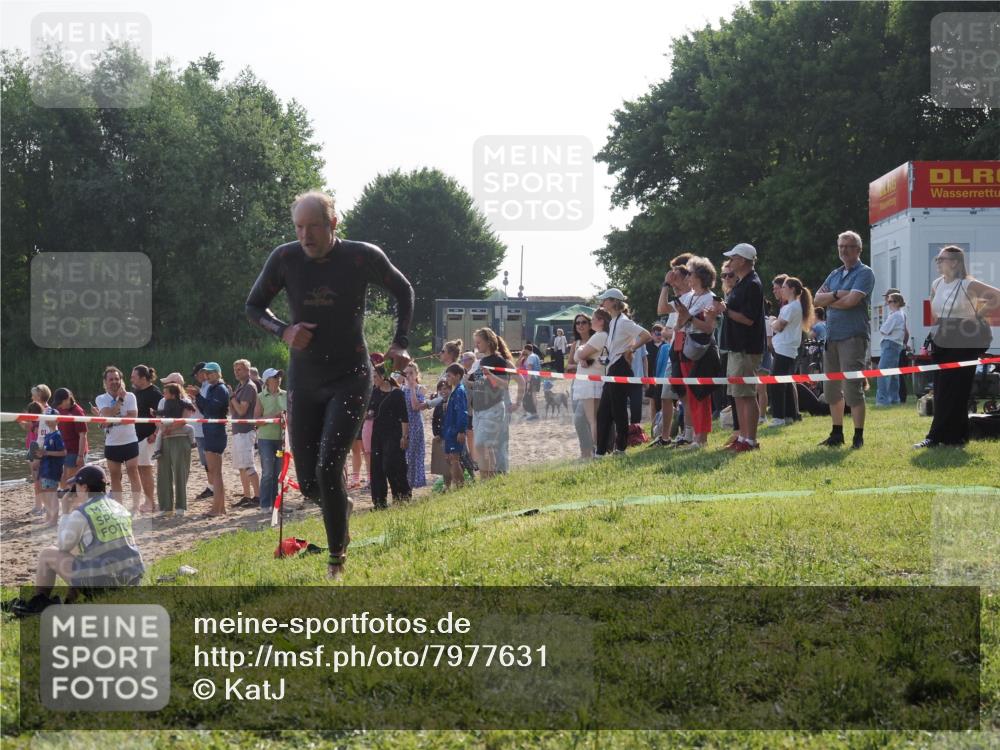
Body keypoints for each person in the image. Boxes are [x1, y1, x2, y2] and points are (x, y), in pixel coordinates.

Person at [246, 189, 414, 579]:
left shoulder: (360, 256)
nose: (305, 235)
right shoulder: (285, 258)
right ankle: (341, 508)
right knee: (309, 483)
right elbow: (253, 306)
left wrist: (400, 342)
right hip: (305, 380)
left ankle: (336, 560)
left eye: (314, 227)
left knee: (328, 467)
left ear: (333, 224)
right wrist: (283, 330)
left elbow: (403, 290)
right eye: (299, 227)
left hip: (350, 376)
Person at [12, 465, 144, 616]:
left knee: (47, 554)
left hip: (105, 587)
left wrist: (66, 511)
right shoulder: (118, 507)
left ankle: (39, 603)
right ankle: (69, 601)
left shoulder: (82, 513)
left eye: (76, 486)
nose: (74, 490)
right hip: (132, 580)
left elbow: (62, 546)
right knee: (80, 551)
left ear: (84, 487)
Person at [915, 245, 999, 448]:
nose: (938, 262)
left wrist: (976, 315)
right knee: (941, 388)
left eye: (941, 259)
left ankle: (940, 436)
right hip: (943, 337)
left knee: (957, 389)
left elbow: (996, 296)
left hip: (964, 341)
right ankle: (952, 436)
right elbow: (935, 310)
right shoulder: (937, 283)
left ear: (954, 262)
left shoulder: (967, 284)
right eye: (937, 259)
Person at [813, 230, 876, 449]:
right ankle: (836, 433)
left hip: (853, 337)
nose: (844, 250)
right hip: (832, 338)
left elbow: (852, 301)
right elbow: (816, 300)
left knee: (852, 389)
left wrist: (832, 299)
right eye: (841, 246)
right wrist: (839, 294)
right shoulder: (835, 273)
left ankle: (858, 437)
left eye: (849, 246)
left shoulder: (865, 273)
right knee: (831, 390)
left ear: (858, 249)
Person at [714, 243, 766, 452]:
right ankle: (743, 437)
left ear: (743, 260)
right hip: (736, 347)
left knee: (746, 394)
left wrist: (725, 310)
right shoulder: (743, 283)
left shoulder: (752, 284)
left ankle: (750, 440)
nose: (730, 262)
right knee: (738, 394)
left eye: (733, 258)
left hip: (746, 348)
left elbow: (749, 320)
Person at [594, 289, 652, 455]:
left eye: (605, 300)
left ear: (613, 302)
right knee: (604, 411)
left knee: (618, 411)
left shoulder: (624, 321)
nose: (602, 302)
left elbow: (646, 335)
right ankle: (600, 451)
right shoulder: (613, 321)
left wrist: (631, 349)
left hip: (620, 368)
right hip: (613, 367)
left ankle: (620, 448)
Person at [673, 257, 722, 449]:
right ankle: (695, 436)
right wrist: (682, 319)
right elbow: (679, 324)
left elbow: (709, 328)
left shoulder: (711, 298)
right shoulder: (690, 296)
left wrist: (689, 318)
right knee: (691, 394)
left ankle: (702, 438)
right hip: (685, 348)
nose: (687, 277)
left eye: (690, 273)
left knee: (700, 394)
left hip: (701, 350)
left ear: (701, 275)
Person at [93, 366, 143, 513]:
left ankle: (135, 505)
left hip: (130, 440)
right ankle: (119, 506)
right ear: (105, 382)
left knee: (133, 472)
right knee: (115, 476)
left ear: (121, 381)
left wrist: (111, 420)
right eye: (111, 379)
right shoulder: (101, 398)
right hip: (112, 443)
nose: (114, 382)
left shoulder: (131, 396)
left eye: (117, 379)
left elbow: (132, 418)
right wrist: (119, 402)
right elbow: (108, 414)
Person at [469, 327, 514, 478]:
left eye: (479, 342)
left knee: (482, 444)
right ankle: (487, 477)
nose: (476, 345)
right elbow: (475, 383)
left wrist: (489, 375)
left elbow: (505, 384)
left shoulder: (498, 360)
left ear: (488, 342)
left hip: (492, 408)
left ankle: (488, 477)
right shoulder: (481, 361)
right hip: (478, 410)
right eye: (475, 342)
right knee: (482, 447)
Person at [769, 277, 813, 426]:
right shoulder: (795, 306)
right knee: (785, 383)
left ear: (792, 289)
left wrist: (772, 321)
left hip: (784, 348)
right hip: (788, 348)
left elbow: (779, 326)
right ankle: (787, 415)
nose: (782, 290)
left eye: (784, 287)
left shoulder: (791, 307)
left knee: (776, 384)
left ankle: (778, 417)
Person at [368, 365, 411, 508]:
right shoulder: (374, 392)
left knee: (392, 465)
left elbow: (404, 417)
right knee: (377, 467)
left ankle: (401, 496)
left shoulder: (397, 393)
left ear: (383, 376)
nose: (373, 379)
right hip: (378, 434)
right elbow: (370, 410)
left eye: (375, 376)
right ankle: (379, 501)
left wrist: (405, 436)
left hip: (394, 434)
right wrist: (368, 414)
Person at [154, 379, 195, 517]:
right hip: (166, 439)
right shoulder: (163, 401)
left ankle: (180, 506)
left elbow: (185, 419)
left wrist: (170, 428)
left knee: (180, 472)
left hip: (181, 438)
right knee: (163, 474)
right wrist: (163, 429)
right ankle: (166, 506)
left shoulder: (185, 402)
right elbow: (158, 418)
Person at [194, 362, 230, 517]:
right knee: (216, 473)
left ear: (217, 373)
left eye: (210, 373)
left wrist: (197, 396)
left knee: (216, 473)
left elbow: (212, 408)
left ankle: (217, 508)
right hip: (211, 431)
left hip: (215, 432)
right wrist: (198, 397)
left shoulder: (220, 389)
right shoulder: (214, 388)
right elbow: (204, 410)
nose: (206, 376)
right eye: (206, 373)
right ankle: (220, 507)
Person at [572, 309, 610, 455]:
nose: (591, 321)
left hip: (589, 382)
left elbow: (578, 355)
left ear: (600, 321)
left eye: (592, 319)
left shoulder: (599, 336)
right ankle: (599, 448)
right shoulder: (607, 336)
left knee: (592, 420)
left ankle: (596, 450)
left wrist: (581, 352)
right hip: (596, 379)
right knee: (596, 418)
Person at [254, 368, 287, 513]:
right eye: (275, 376)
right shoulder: (260, 396)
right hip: (266, 439)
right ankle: (265, 504)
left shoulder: (286, 395)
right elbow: (256, 421)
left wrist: (285, 418)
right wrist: (275, 417)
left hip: (282, 440)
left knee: (279, 473)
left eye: (279, 376)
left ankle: (277, 504)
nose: (278, 378)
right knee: (268, 472)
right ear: (267, 380)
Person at [130, 365, 162, 514]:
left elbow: (161, 415)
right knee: (141, 469)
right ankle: (149, 501)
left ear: (143, 378)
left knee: (145, 469)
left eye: (134, 377)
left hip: (148, 437)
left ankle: (151, 502)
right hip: (136, 436)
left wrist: (155, 433)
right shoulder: (136, 392)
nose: (131, 379)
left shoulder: (155, 393)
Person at [230, 358, 261, 507]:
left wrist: (232, 398)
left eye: (239, 369)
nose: (236, 372)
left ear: (248, 371)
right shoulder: (240, 386)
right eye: (235, 370)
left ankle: (257, 496)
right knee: (241, 465)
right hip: (238, 430)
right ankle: (247, 496)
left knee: (248, 464)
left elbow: (242, 410)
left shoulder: (249, 387)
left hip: (246, 430)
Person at [50, 388, 88, 499]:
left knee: (71, 479)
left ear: (67, 399)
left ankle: (72, 504)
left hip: (75, 451)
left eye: (60, 403)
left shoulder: (78, 412)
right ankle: (67, 502)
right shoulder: (60, 409)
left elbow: (83, 435)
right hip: (64, 449)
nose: (59, 406)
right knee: (63, 478)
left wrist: (80, 456)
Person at [876, 292, 907, 406]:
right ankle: (894, 399)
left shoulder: (895, 315)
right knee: (894, 374)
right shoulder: (901, 314)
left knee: (882, 371)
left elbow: (884, 330)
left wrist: (883, 327)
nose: (888, 304)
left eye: (890, 301)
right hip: (895, 345)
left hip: (890, 344)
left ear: (897, 302)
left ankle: (882, 400)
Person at [401, 362, 427, 489]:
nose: (408, 376)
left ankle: (414, 482)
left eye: (411, 373)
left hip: (415, 425)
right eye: (406, 373)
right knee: (404, 455)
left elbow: (415, 406)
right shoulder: (400, 389)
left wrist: (411, 388)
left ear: (417, 374)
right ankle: (405, 482)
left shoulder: (420, 388)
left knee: (414, 454)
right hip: (403, 425)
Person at [37, 417, 66, 526]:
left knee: (51, 493)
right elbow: (46, 452)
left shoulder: (58, 435)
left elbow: (63, 452)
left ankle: (53, 520)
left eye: (51, 418)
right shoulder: (48, 435)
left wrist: (46, 452)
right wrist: (40, 454)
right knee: (44, 492)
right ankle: (49, 517)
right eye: (47, 418)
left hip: (53, 468)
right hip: (45, 467)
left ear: (57, 421)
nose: (48, 420)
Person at [518, 344, 542, 420]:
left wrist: (528, 381)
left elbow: (530, 370)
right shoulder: (536, 356)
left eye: (524, 350)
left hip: (532, 378)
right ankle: (535, 413)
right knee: (534, 395)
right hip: (537, 377)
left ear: (526, 349)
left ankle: (533, 413)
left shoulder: (530, 357)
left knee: (531, 396)